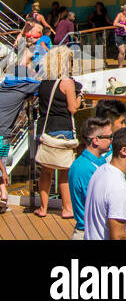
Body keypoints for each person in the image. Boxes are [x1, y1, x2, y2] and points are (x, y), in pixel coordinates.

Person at [34, 47, 82, 218]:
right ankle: (67, 208)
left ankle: (43, 208)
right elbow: (73, 108)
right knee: (64, 171)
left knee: (46, 170)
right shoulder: (67, 82)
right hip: (63, 130)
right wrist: (79, 97)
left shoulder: (43, 83)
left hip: (46, 130)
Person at [69, 116, 113, 239]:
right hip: (89, 233)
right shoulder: (84, 168)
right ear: (96, 140)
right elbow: (99, 202)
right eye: (109, 137)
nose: (111, 140)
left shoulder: (99, 161)